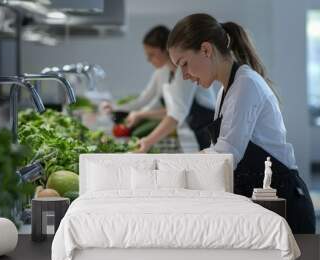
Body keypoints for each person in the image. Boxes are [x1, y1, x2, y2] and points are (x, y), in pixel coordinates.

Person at [167, 13, 315, 233]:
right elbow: (218, 150)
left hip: (284, 207)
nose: (184, 75)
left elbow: (227, 156)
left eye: (184, 64)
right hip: (263, 207)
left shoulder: (246, 85)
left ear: (206, 50)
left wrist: (176, 167)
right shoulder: (226, 91)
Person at [101, 25, 218, 151]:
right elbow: (144, 100)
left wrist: (148, 138)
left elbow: (176, 113)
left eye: (152, 54)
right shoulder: (162, 72)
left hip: (208, 132)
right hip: (188, 133)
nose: (149, 60)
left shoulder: (186, 72)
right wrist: (115, 108)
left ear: (165, 50)